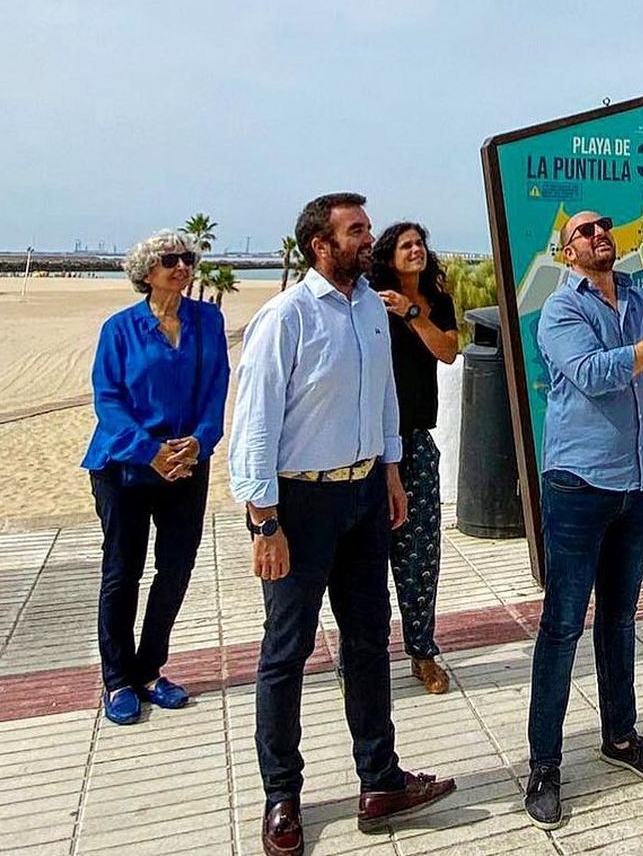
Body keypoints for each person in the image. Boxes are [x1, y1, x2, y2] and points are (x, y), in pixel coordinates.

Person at [230, 192, 455, 856]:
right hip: (298, 506)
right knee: (287, 650)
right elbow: (255, 423)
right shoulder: (286, 316)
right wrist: (264, 520)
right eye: (355, 230)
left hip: (363, 496)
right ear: (320, 244)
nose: (368, 238)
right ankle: (281, 796)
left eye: (365, 228)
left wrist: (390, 471)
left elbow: (383, 395)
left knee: (367, 640)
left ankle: (380, 779)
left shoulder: (369, 308)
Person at [523, 209, 643, 829]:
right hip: (578, 486)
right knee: (562, 626)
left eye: (605, 227)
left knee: (621, 619)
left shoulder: (639, 295)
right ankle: (544, 764)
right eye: (585, 230)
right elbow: (595, 376)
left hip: (634, 484)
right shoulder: (559, 309)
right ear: (567, 249)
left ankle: (621, 738)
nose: (600, 234)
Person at [81, 230, 230, 726]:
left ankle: (149, 670)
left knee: (177, 568)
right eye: (171, 260)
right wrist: (151, 452)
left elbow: (216, 388)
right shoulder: (119, 329)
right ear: (146, 271)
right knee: (123, 572)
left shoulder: (207, 319)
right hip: (124, 465)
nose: (183, 266)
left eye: (188, 258)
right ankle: (117, 679)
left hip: (187, 463)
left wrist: (201, 441)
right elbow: (108, 400)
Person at [370, 221, 459, 695]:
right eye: (406, 245)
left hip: (416, 440)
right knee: (364, 560)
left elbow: (448, 351)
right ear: (388, 254)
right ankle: (360, 659)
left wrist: (412, 313)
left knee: (421, 553)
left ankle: (421, 651)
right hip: (367, 445)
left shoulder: (434, 301)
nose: (416, 250)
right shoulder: (366, 299)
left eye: (421, 243)